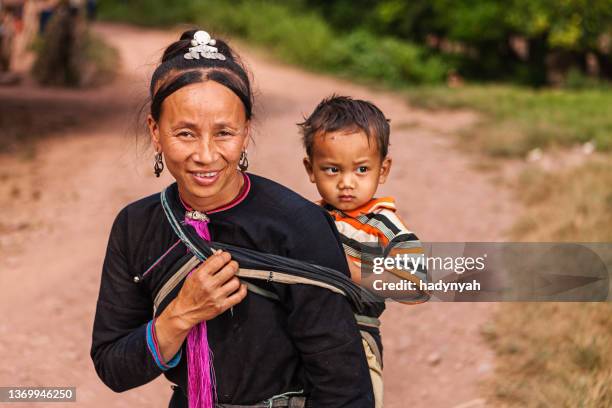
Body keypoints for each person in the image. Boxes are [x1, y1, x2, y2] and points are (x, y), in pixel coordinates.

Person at [90, 30, 374, 408]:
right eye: (185, 133)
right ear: (155, 132)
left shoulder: (298, 225)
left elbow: (344, 387)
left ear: (246, 132)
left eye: (224, 133)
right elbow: (113, 367)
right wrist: (180, 315)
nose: (205, 155)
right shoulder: (135, 227)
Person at [300, 95, 430, 408]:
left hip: (357, 341)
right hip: (304, 338)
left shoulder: (384, 225)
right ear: (311, 169)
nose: (346, 183)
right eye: (332, 169)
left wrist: (351, 270)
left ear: (382, 170)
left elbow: (417, 285)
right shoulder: (310, 218)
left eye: (361, 169)